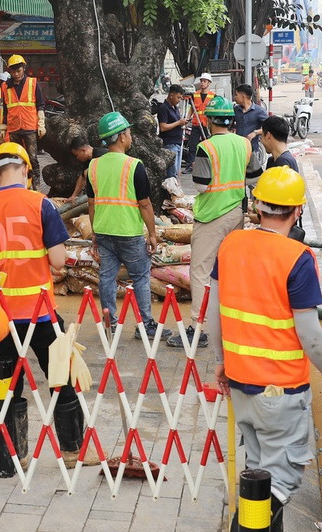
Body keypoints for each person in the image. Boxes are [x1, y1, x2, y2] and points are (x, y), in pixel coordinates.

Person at [208, 165, 322, 532]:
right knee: (282, 476)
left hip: (241, 383)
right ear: (295, 212)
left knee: (258, 468)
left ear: (257, 208)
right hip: (281, 390)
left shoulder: (231, 244)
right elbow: (309, 333)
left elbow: (214, 312)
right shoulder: (296, 257)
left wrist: (220, 359)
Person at [0, 142, 101, 469]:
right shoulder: (40, 205)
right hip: (39, 311)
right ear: (27, 170)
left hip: (1, 315)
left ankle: (14, 454)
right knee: (60, 375)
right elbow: (58, 262)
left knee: (9, 382)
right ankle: (72, 451)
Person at [167, 96, 262, 349]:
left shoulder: (205, 148)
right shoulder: (244, 144)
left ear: (209, 121)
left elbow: (200, 185)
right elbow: (254, 177)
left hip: (210, 217)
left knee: (200, 273)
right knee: (229, 272)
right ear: (231, 120)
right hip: (236, 215)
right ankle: (234, 324)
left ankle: (197, 329)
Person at [86, 112, 166, 340]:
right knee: (140, 276)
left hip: (104, 231)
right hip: (128, 232)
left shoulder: (93, 166)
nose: (131, 137)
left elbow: (91, 204)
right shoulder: (134, 166)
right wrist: (152, 234)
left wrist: (94, 232)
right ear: (121, 137)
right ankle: (146, 325)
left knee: (107, 276)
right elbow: (145, 204)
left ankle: (110, 322)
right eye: (129, 133)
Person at [0, 55, 46, 188]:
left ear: (24, 68)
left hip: (29, 126)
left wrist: (41, 124)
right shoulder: (5, 86)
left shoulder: (33, 83)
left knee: (32, 158)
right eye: (13, 71)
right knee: (16, 159)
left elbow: (40, 105)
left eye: (18, 71)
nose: (16, 74)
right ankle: (20, 185)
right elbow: (5, 108)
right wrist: (3, 128)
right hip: (14, 127)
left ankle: (36, 187)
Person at [184, 73, 216, 173]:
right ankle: (190, 166)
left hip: (207, 125)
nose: (202, 83)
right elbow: (192, 109)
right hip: (196, 124)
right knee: (192, 145)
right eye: (201, 81)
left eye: (204, 81)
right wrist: (187, 118)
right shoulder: (195, 95)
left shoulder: (213, 96)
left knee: (208, 145)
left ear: (209, 83)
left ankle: (208, 164)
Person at [156, 84, 188, 180]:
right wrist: (178, 122)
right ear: (171, 95)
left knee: (175, 173)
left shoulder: (175, 108)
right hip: (169, 143)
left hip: (177, 142)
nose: (179, 100)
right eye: (178, 97)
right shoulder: (164, 108)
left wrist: (181, 123)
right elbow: (163, 127)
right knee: (171, 175)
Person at [233, 84, 268, 153]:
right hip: (238, 149)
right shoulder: (235, 109)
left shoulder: (259, 111)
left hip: (252, 150)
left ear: (243, 96)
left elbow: (270, 127)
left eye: (236, 95)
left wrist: (255, 132)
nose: (234, 98)